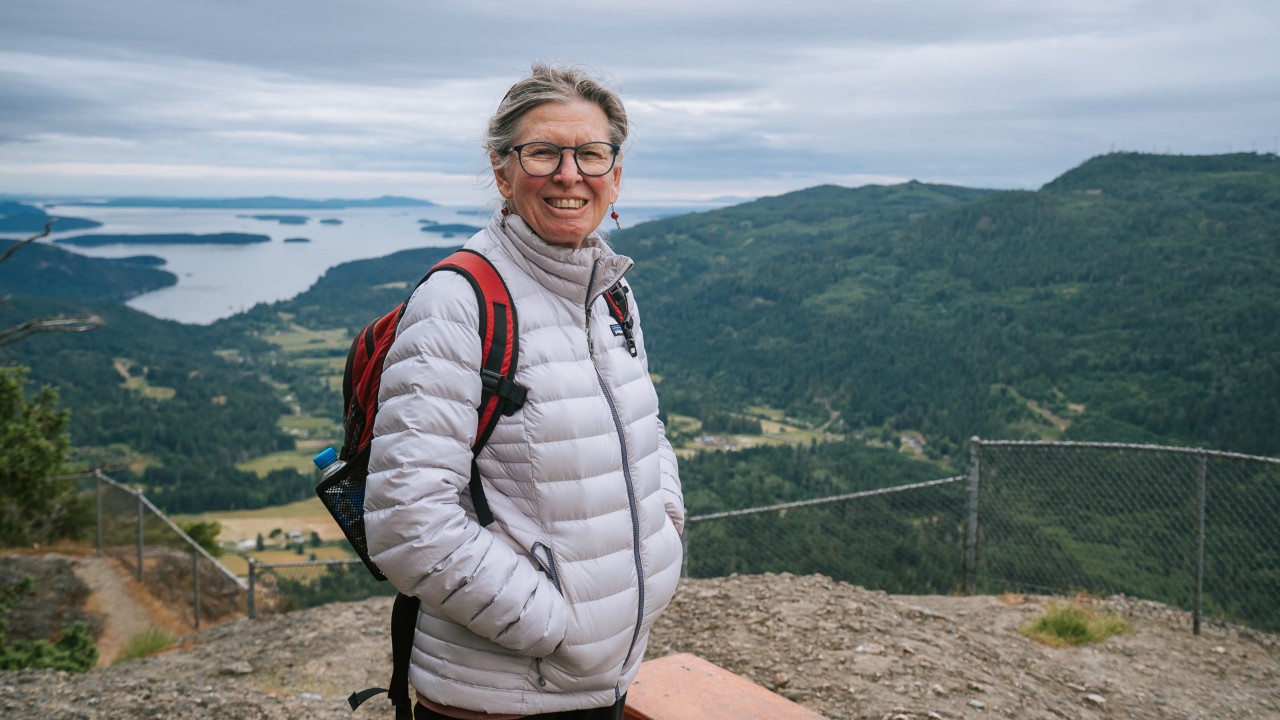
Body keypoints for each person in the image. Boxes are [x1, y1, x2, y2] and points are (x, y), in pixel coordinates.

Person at [364, 63, 686, 720]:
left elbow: (644, 431)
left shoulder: (612, 293)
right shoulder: (459, 303)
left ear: (616, 174)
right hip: (502, 699)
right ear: (503, 171)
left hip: (603, 680)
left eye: (591, 154)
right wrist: (559, 627)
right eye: (543, 152)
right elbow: (408, 523)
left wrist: (666, 541)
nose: (570, 174)